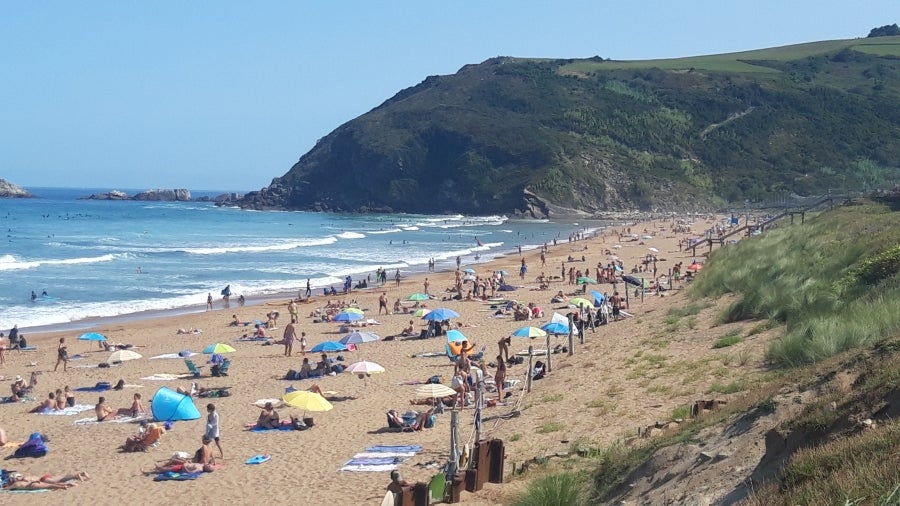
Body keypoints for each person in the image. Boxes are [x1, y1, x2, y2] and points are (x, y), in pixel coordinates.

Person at [3, 471, 90, 490]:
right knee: (62, 478)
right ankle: (78, 475)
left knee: (52, 484)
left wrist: (5, 487)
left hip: (41, 480)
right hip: (44, 476)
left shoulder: (18, 482)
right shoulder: (27, 476)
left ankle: (65, 485)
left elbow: (8, 487)